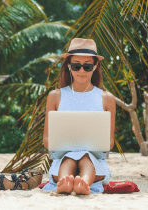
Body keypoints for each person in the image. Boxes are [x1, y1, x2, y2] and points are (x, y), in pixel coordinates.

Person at [42, 38, 116, 195]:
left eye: (87, 66)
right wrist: (71, 147)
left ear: (95, 66)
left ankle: (83, 183)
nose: (82, 71)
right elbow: (47, 140)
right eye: (76, 66)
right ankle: (66, 182)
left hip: (95, 162)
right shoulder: (55, 96)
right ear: (69, 66)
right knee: (69, 158)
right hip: (62, 160)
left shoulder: (107, 98)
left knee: (85, 157)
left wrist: (83, 148)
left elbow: (109, 143)